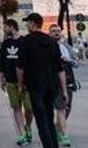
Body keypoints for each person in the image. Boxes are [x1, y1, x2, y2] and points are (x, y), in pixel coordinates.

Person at [16, 13, 67, 148]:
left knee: (41, 121)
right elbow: (60, 69)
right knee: (49, 119)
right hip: (52, 86)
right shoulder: (51, 42)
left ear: (33, 24)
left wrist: (20, 85)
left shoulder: (26, 41)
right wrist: (64, 90)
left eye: (27, 23)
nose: (26, 25)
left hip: (35, 86)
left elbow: (20, 68)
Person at [0, 19, 34, 145]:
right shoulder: (6, 43)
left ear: (11, 27)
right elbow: (2, 61)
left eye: (5, 27)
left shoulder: (24, 41)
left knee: (29, 108)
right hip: (10, 80)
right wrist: (1, 78)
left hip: (25, 81)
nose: (4, 29)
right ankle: (22, 133)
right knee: (16, 107)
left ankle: (28, 126)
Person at [49, 25, 78, 147]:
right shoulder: (48, 47)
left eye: (58, 31)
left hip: (68, 81)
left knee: (67, 108)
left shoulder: (66, 47)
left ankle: (58, 128)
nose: (56, 33)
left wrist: (68, 60)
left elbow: (76, 63)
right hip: (54, 82)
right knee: (60, 108)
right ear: (49, 33)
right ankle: (63, 134)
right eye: (53, 31)